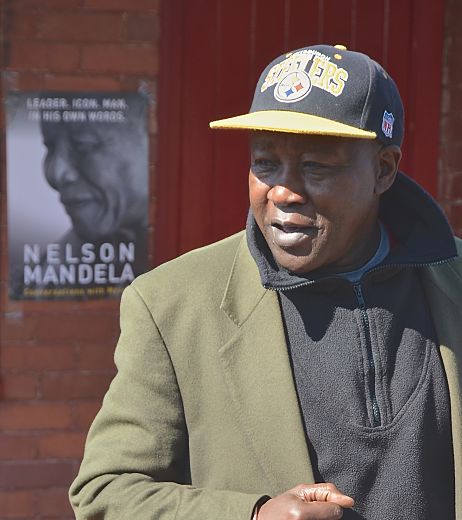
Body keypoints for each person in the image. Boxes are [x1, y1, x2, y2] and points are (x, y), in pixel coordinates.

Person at [69, 44, 462, 519]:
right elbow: (105, 491)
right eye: (265, 163)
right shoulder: (172, 305)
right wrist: (252, 516)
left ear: (383, 170)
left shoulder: (452, 282)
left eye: (316, 166)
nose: (283, 191)